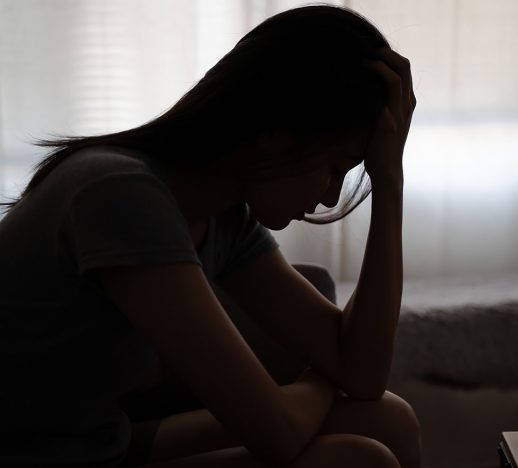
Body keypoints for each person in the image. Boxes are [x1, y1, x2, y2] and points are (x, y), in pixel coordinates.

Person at [0, 4, 419, 468]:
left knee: (389, 420)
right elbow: (278, 432)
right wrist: (321, 376)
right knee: (358, 460)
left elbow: (362, 374)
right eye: (333, 168)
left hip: (100, 441)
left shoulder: (222, 218)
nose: (329, 197)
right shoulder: (117, 193)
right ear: (272, 133)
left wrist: (390, 182)